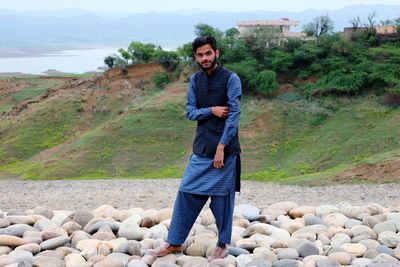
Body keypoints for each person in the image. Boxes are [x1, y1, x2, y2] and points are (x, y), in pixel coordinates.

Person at [147, 35, 242, 262]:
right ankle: (175, 242)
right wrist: (211, 110)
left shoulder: (231, 79)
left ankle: (222, 245)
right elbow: (190, 112)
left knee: (222, 200)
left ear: (216, 53)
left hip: (224, 152)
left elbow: (234, 114)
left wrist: (221, 146)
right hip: (201, 149)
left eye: (208, 53)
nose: (205, 58)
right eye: (200, 55)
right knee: (186, 192)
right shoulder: (195, 81)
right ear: (196, 57)